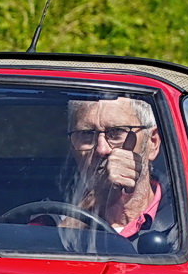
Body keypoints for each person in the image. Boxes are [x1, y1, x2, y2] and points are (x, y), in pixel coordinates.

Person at [63, 95, 172, 239]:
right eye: (87, 134)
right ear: (72, 146)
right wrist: (92, 203)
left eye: (116, 133)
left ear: (152, 143)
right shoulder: (50, 219)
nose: (102, 149)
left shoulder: (187, 224)